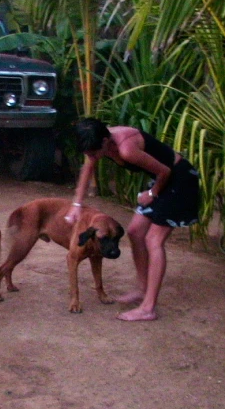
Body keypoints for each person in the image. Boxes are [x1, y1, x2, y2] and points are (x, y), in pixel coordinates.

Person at [64, 118, 200, 321]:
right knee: (135, 232)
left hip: (179, 180)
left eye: (93, 153)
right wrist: (76, 205)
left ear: (105, 141)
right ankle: (142, 289)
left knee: (154, 240)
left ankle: (148, 308)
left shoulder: (126, 148)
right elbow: (88, 168)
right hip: (162, 180)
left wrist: (152, 194)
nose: (91, 157)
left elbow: (165, 171)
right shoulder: (96, 141)